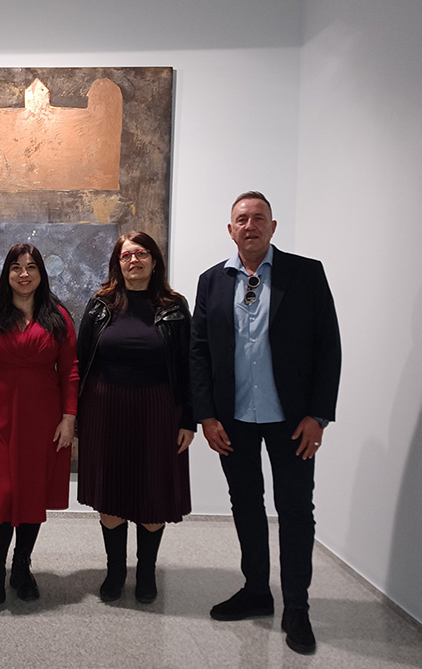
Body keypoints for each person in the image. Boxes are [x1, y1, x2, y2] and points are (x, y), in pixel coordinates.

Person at [190, 191, 341, 655]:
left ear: (273, 227)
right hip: (233, 419)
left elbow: (328, 347)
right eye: (242, 219)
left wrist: (319, 415)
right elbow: (199, 351)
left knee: (295, 510)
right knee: (246, 504)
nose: (250, 225)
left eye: (259, 218)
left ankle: (297, 607)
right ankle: (256, 590)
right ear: (230, 229)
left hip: (292, 421)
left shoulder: (306, 274)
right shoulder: (211, 281)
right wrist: (206, 414)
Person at [76, 231, 194, 604]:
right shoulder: (100, 304)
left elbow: (189, 366)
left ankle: (146, 573)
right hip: (105, 410)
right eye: (127, 255)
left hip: (159, 410)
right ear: (118, 263)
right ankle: (115, 572)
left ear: (154, 261)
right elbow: (81, 361)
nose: (134, 261)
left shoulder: (175, 306)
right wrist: (76, 415)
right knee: (110, 494)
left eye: (142, 254)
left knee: (153, 494)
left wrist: (189, 420)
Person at [0, 243, 79, 618]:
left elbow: (70, 371)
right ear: (7, 274)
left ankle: (21, 567)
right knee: (0, 497)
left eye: (31, 267)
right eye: (16, 267)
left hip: (43, 423)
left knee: (31, 494)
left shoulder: (58, 317)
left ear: (41, 273)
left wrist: (69, 417)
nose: (24, 274)